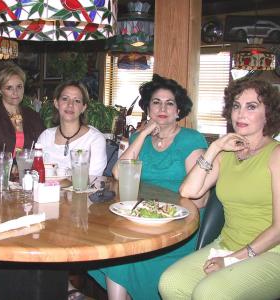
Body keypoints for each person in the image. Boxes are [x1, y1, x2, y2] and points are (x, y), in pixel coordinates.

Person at [88, 74, 208, 300]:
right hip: (141, 217)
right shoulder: (139, 137)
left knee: (122, 254)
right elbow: (118, 174)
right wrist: (142, 134)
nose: (162, 107)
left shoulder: (192, 140)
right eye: (156, 102)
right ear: (148, 108)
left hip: (178, 223)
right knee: (112, 247)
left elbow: (199, 197)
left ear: (178, 110)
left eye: (169, 103)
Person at [159, 78, 280, 299]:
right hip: (226, 244)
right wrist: (214, 147)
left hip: (271, 253)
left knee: (209, 293)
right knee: (170, 283)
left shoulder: (276, 155)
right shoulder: (226, 153)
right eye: (236, 106)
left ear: (268, 113)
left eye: (251, 106)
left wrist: (234, 259)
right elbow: (188, 191)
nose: (240, 114)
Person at [0, 64, 44, 174]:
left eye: (19, 87)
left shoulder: (33, 116)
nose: (15, 92)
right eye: (9, 88)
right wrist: (7, 166)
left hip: (27, 178)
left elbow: (43, 149)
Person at [37, 80, 107, 176]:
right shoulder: (45, 137)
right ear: (56, 103)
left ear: (83, 107)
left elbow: (92, 180)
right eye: (65, 99)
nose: (70, 105)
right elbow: (37, 173)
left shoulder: (95, 140)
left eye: (77, 101)